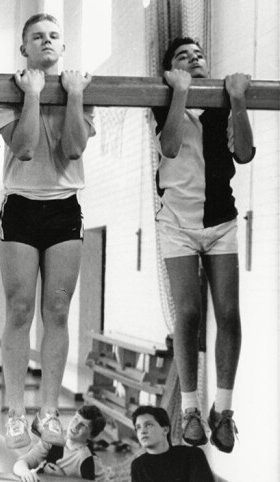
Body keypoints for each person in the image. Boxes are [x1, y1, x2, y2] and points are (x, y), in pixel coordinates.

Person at [0, 13, 95, 449]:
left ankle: (49, 410)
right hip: (20, 207)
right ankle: (16, 410)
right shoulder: (6, 92)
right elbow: (27, 147)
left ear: (63, 48)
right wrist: (32, 94)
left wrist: (72, 97)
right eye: (37, 36)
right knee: (19, 310)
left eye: (54, 35)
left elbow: (72, 149)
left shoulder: (81, 91)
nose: (47, 41)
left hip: (63, 209)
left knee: (56, 310)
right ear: (24, 48)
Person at [151, 37, 254, 454]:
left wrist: (239, 101)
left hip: (220, 221)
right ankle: (190, 410)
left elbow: (244, 154)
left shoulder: (224, 101)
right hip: (176, 222)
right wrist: (179, 91)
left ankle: (223, 411)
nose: (194, 59)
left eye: (198, 54)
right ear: (170, 68)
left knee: (229, 313)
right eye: (182, 56)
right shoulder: (164, 100)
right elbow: (171, 146)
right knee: (189, 313)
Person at [0, 405, 110, 481]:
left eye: (83, 426)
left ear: (91, 435)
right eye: (75, 419)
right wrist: (25, 472)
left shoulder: (89, 460)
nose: (75, 427)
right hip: (23, 479)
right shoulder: (53, 441)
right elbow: (20, 463)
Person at [131, 405, 215, 482]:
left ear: (165, 429)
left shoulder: (192, 455)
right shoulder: (138, 466)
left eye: (148, 425)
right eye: (138, 427)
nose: (142, 431)